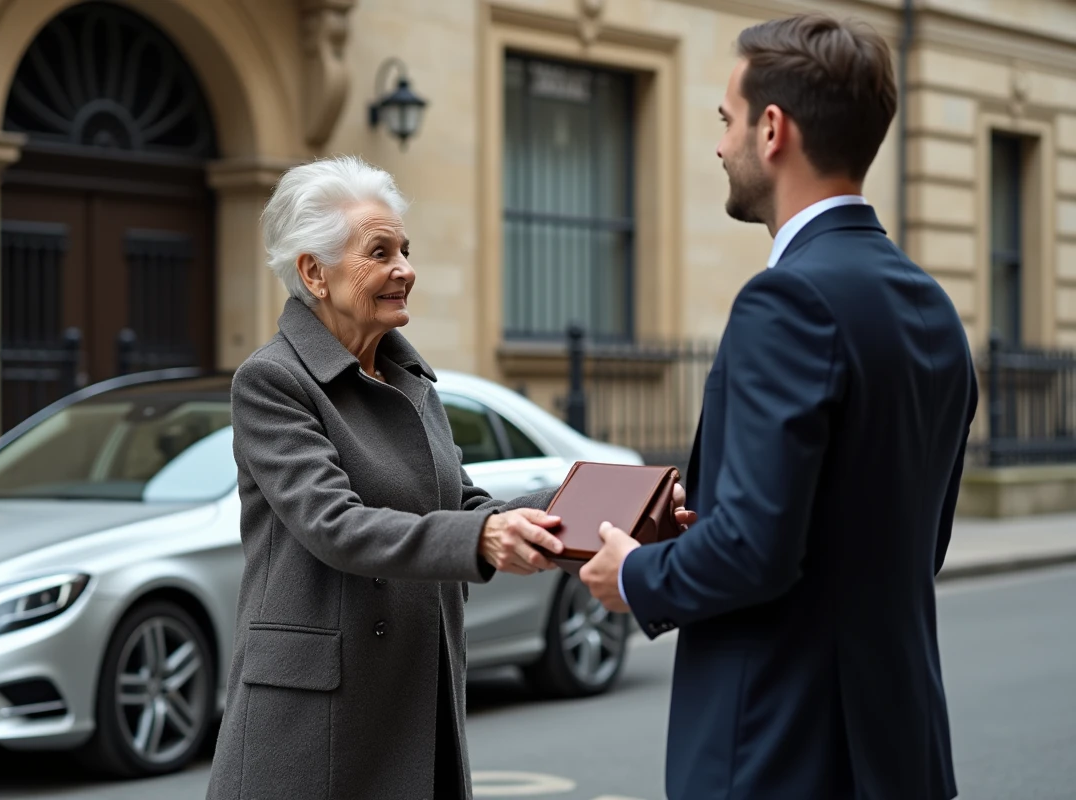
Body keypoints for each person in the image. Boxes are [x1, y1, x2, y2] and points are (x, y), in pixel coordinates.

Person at [580, 13, 977, 800]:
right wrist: (726, 515)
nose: (718, 145)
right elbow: (908, 543)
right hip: (900, 751)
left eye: (725, 121)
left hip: (780, 752)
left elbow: (753, 553)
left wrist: (636, 573)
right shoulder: (933, 308)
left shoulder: (785, 299)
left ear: (772, 129)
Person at [204, 155, 565, 800]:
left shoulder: (409, 380)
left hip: (414, 688)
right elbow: (334, 526)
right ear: (315, 272)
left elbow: (464, 504)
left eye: (404, 248)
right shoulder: (272, 382)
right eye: (380, 252)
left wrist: (598, 506)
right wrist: (479, 540)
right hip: (316, 718)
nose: (406, 269)